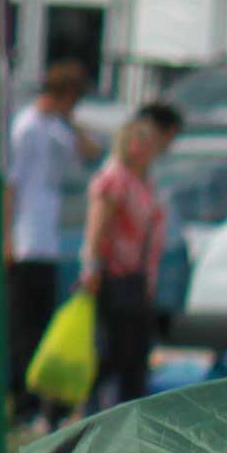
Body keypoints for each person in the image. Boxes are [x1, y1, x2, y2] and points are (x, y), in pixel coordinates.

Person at [2, 58, 95, 434]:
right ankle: (23, 405)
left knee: (43, 328)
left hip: (48, 240)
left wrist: (69, 121)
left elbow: (90, 152)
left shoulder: (56, 129)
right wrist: (7, 236)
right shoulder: (25, 128)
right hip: (26, 238)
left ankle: (45, 404)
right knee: (24, 328)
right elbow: (10, 184)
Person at [77, 97, 177, 414]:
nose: (145, 149)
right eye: (139, 142)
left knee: (134, 350)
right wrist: (92, 266)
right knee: (110, 349)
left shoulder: (144, 182)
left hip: (136, 275)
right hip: (113, 274)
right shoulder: (114, 178)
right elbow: (98, 225)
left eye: (149, 143)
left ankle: (129, 408)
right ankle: (91, 410)